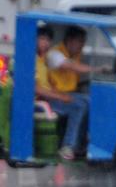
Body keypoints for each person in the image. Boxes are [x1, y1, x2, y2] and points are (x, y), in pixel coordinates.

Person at [35, 25, 89, 161]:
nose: (45, 43)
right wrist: (61, 96)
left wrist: (59, 93)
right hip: (39, 102)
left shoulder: (43, 59)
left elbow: (47, 84)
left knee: (87, 101)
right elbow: (37, 89)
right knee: (78, 106)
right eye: (42, 39)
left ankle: (82, 143)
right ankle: (68, 146)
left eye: (48, 40)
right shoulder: (32, 60)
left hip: (47, 98)